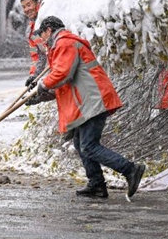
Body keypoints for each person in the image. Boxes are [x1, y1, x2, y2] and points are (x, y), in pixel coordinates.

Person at [27, 15, 145, 200]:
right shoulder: (61, 46)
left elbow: (62, 74)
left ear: (49, 29)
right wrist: (40, 96)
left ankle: (131, 169)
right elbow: (64, 85)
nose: (42, 41)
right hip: (86, 101)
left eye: (42, 35)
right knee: (81, 145)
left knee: (89, 146)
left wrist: (42, 84)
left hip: (92, 100)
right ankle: (97, 184)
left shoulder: (64, 43)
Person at [20, 0, 46, 86]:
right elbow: (37, 56)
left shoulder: (48, 19)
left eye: (28, 5)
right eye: (24, 7)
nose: (26, 9)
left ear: (37, 3)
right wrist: (33, 75)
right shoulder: (31, 33)